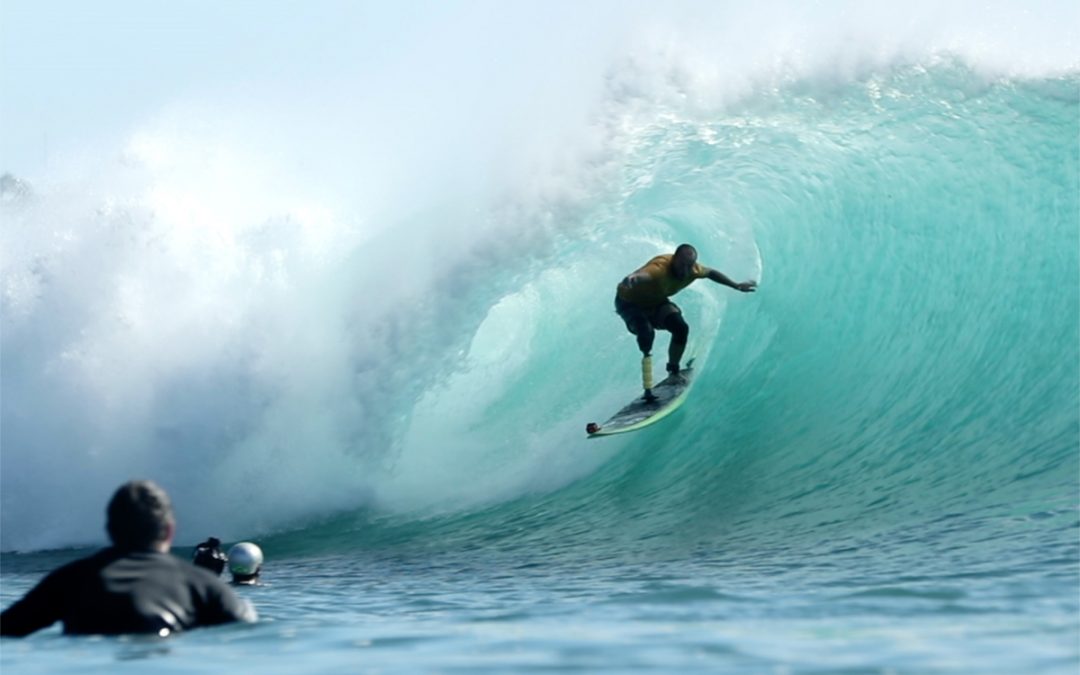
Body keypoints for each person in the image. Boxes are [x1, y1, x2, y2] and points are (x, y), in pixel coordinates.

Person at [0, 480, 257, 637]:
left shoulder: (70, 579)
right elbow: (245, 625)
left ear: (110, 530)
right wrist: (218, 579)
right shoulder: (196, 583)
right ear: (169, 531)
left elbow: (8, 628)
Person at [616, 243, 757, 401]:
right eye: (682, 265)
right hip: (630, 304)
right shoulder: (659, 269)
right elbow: (643, 274)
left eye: (689, 266)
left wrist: (736, 285)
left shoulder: (694, 270)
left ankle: (674, 371)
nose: (685, 270)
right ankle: (648, 391)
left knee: (680, 328)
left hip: (655, 302)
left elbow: (711, 273)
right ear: (673, 260)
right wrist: (633, 278)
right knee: (646, 333)